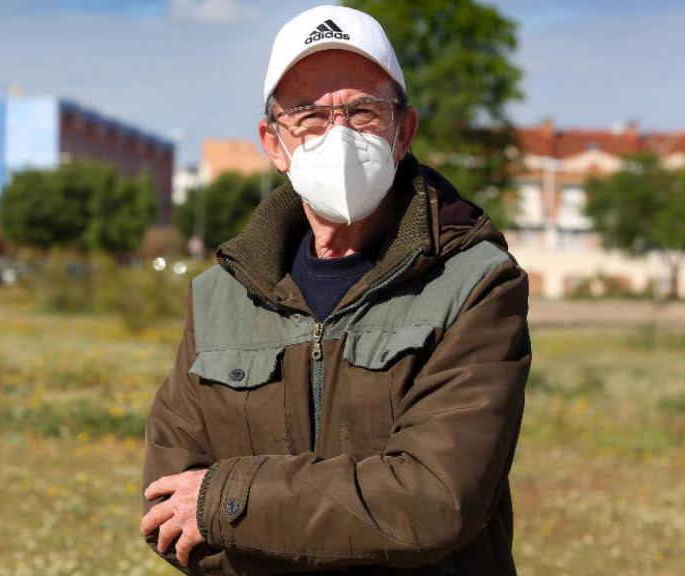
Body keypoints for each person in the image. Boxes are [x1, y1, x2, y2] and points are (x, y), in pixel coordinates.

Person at [140, 5, 531, 575]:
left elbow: (435, 500)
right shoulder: (219, 294)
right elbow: (166, 507)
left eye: (363, 111)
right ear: (274, 144)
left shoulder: (474, 281)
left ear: (404, 131)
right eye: (309, 116)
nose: (339, 135)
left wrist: (223, 501)